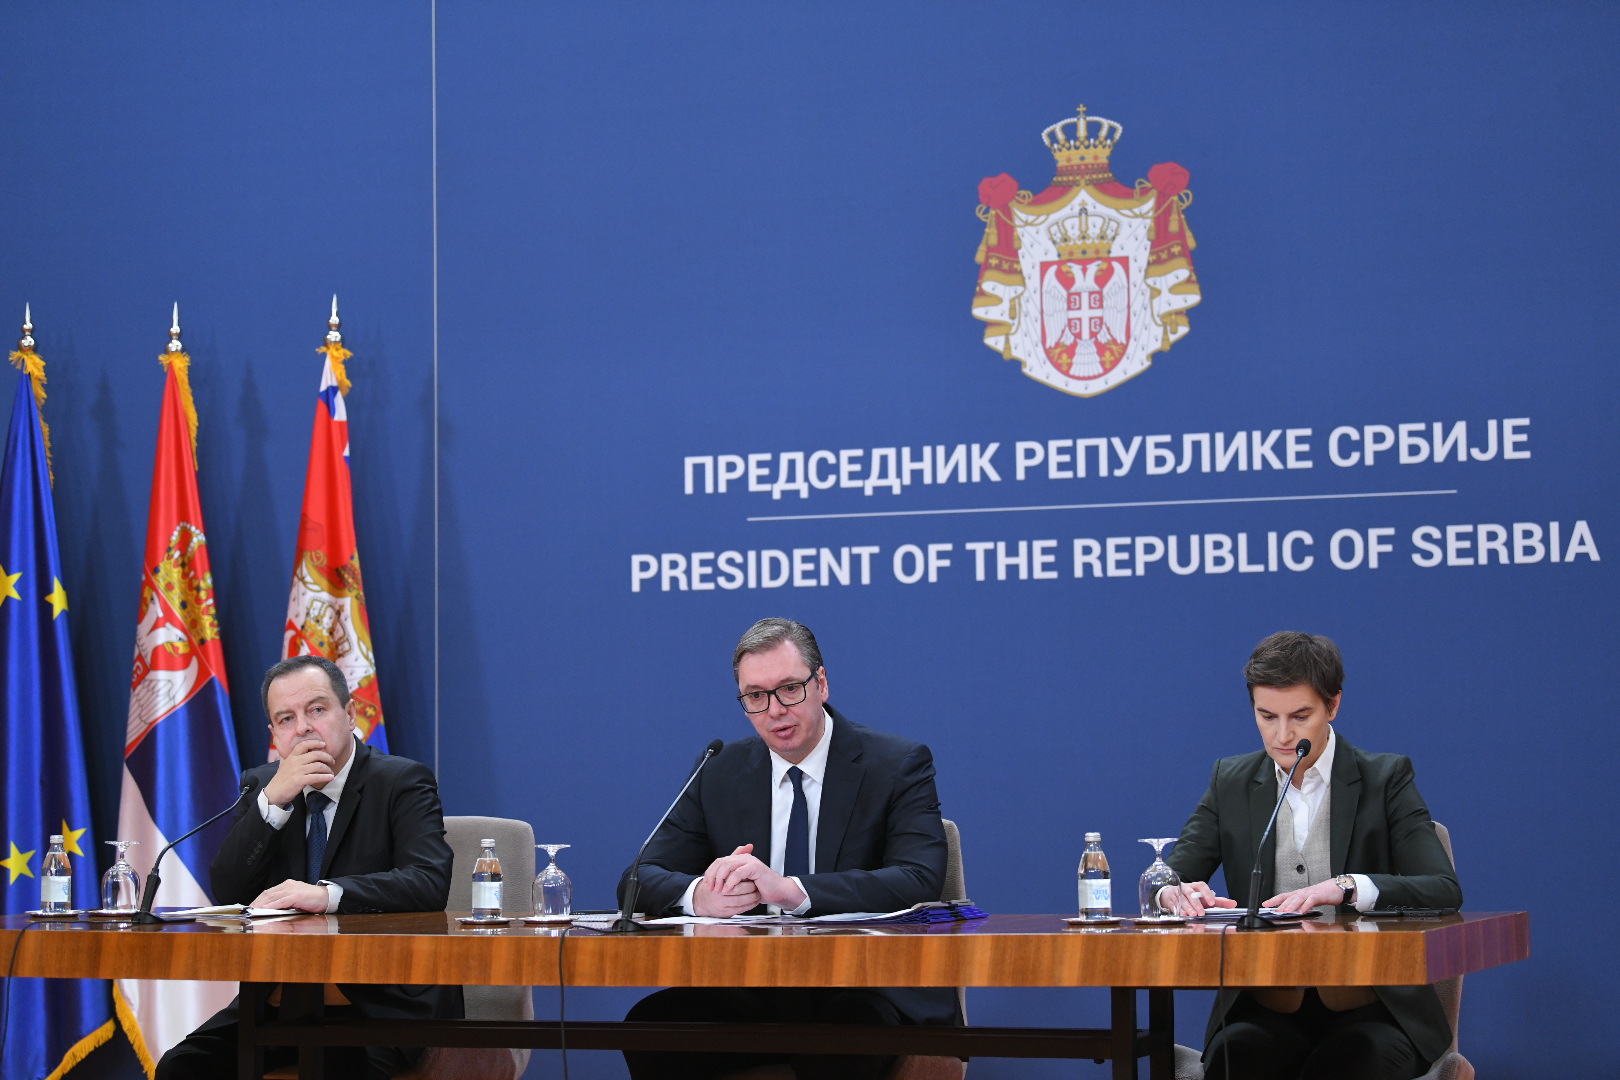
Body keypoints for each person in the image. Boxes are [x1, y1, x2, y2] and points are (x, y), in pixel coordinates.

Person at [620, 617, 959, 1080]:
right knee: (652, 1028)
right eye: (756, 696)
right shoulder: (719, 770)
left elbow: (918, 878)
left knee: (837, 1041)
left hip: (865, 985)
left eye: (789, 689)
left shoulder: (896, 764)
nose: (775, 710)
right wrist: (700, 894)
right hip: (756, 987)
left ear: (821, 683)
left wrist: (792, 891)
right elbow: (638, 879)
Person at [1163, 632, 1463, 1080]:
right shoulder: (1231, 781)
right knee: (1234, 1063)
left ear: (1333, 705)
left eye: (1300, 716)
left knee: (1342, 1067)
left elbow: (1443, 889)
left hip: (1373, 1010)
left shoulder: (1386, 778)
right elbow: (1172, 874)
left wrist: (1346, 886)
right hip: (1266, 1007)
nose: (1283, 736)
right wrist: (1174, 892)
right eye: (1267, 717)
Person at [155, 655, 461, 1080]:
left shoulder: (402, 781)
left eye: (316, 709)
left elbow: (428, 882)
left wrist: (326, 894)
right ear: (274, 734)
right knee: (181, 1068)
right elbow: (228, 888)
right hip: (280, 1001)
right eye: (286, 718)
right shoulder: (263, 785)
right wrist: (272, 802)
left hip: (379, 1001)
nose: (303, 727)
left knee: (337, 1069)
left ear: (350, 713)